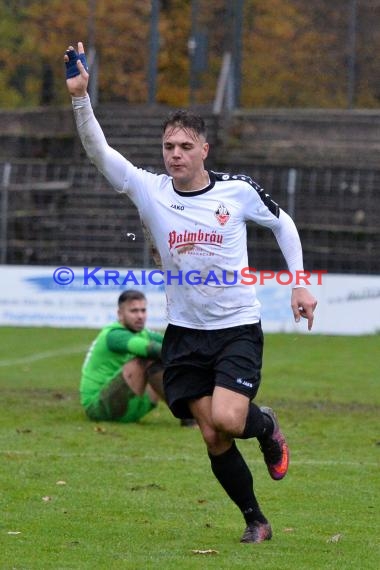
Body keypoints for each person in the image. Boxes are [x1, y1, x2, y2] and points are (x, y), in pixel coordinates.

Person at [65, 43, 317, 544]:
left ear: (204, 150)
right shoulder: (150, 190)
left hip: (236, 327)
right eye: (168, 147)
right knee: (211, 434)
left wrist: (300, 282)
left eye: (184, 147)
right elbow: (101, 153)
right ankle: (256, 521)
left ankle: (266, 427)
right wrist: (79, 99)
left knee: (229, 418)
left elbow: (283, 224)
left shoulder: (236, 191)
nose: (174, 155)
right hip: (184, 334)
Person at [80, 289, 166, 424]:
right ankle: (187, 416)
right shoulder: (114, 335)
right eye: (134, 311)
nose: (140, 316)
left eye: (143, 310)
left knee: (173, 356)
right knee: (148, 358)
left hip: (127, 401)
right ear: (120, 314)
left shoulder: (143, 333)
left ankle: (194, 412)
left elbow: (172, 343)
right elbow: (152, 349)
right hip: (98, 406)